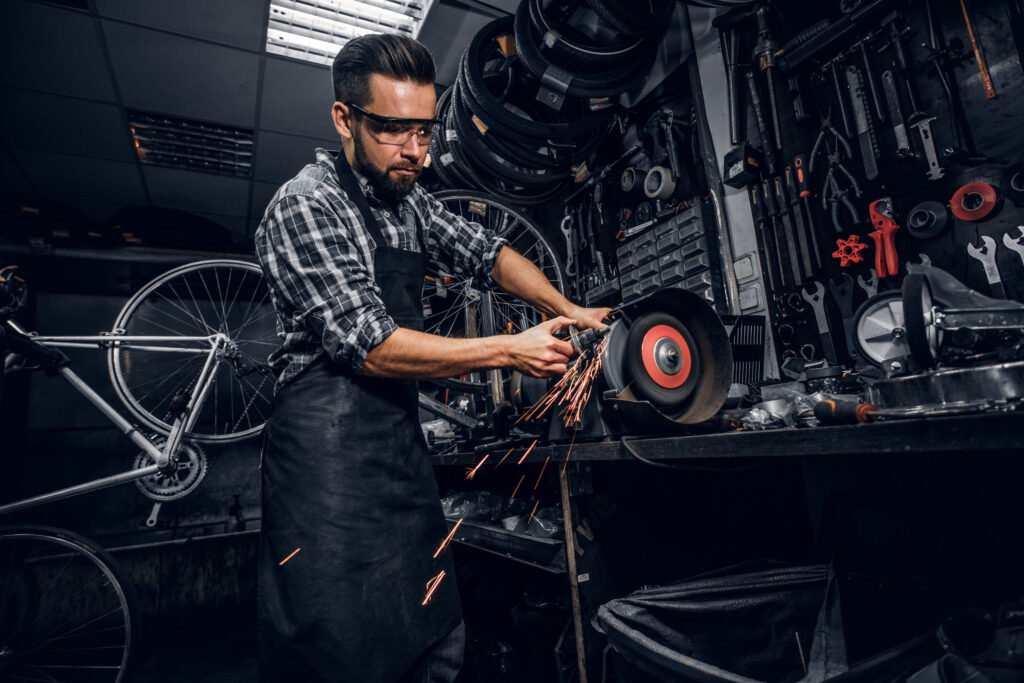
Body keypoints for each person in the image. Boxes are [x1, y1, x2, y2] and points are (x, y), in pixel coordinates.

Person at [254, 33, 609, 682]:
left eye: (423, 129)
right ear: (345, 119)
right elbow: (370, 344)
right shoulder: (307, 205)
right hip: (325, 471)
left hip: (400, 461)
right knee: (340, 653)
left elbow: (490, 254)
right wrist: (510, 347)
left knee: (435, 630)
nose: (416, 151)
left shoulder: (411, 203)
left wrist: (571, 307)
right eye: (394, 130)